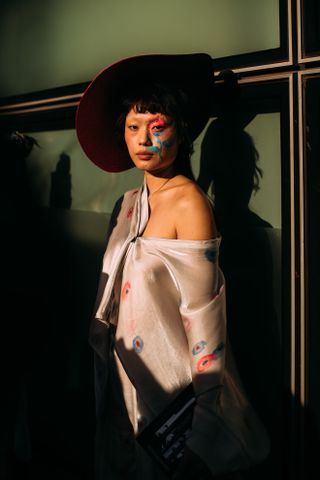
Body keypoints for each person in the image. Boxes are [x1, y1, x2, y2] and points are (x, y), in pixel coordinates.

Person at [76, 53, 270, 480]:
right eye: (133, 127)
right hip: (119, 399)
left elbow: (208, 329)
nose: (144, 138)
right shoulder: (126, 205)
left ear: (180, 131)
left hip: (170, 406)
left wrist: (201, 437)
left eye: (156, 126)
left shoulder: (191, 205)